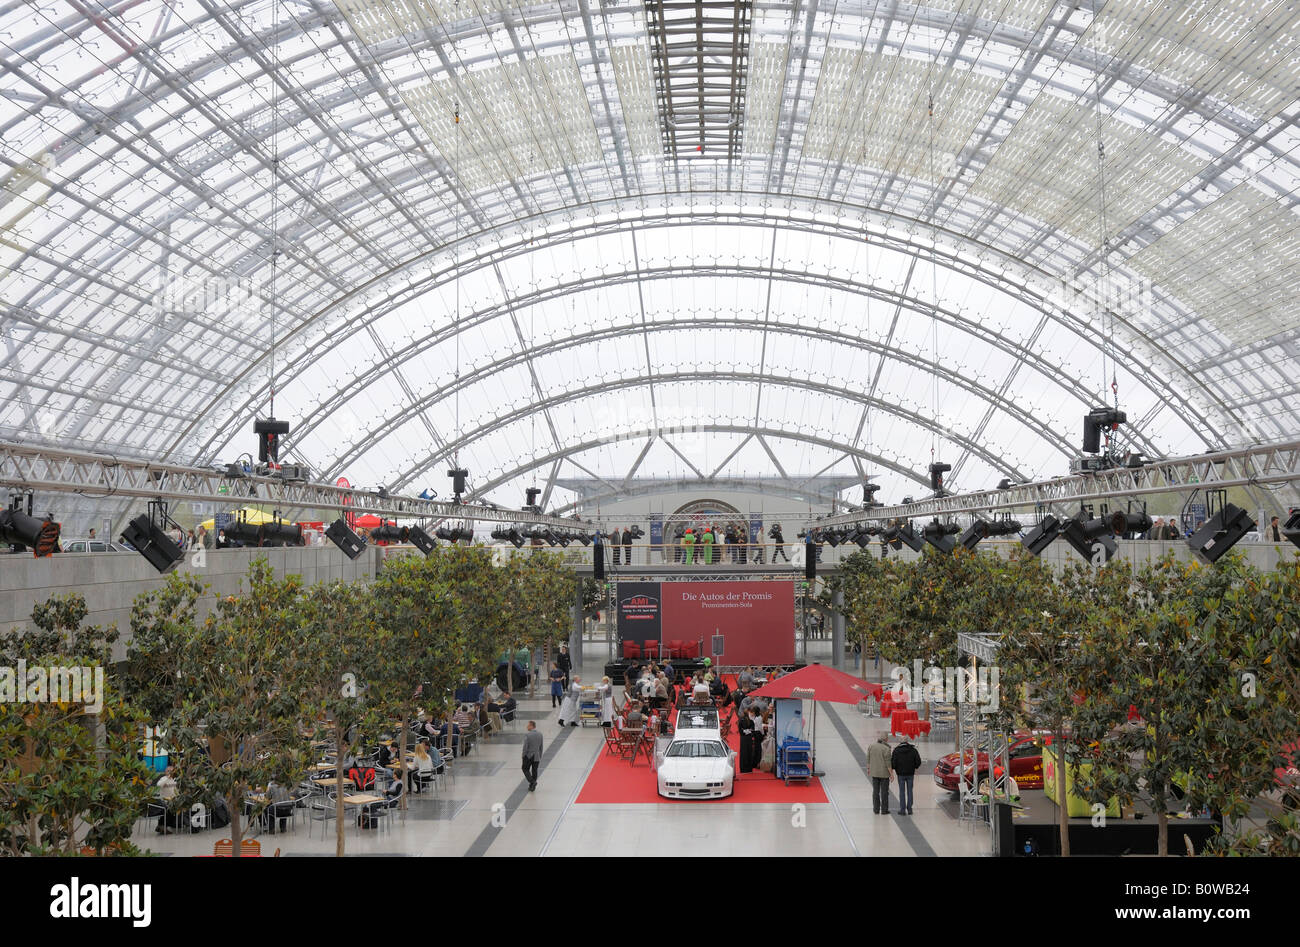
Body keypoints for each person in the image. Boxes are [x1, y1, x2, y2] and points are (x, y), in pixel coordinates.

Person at [891, 735, 922, 816]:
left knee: (902, 792)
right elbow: (918, 762)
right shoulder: (913, 750)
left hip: (900, 774)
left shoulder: (896, 751)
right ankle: (910, 809)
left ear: (900, 741)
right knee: (910, 791)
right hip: (910, 774)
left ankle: (902, 809)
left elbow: (893, 764)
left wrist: (896, 768)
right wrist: (914, 767)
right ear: (907, 741)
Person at [867, 734, 894, 815]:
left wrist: (868, 769)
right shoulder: (886, 749)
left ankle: (876, 809)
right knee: (884, 792)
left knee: (875, 791)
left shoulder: (871, 746)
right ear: (885, 740)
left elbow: (868, 758)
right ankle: (884, 810)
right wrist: (891, 774)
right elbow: (888, 764)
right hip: (884, 774)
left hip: (874, 772)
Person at [155, 766, 178, 834]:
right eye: (168, 771)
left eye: (171, 771)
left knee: (172, 808)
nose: (170, 772)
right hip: (164, 801)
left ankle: (161, 826)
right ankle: (162, 826)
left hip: (175, 800)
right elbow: (158, 785)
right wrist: (167, 777)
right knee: (169, 809)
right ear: (165, 772)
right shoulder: (163, 779)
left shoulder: (176, 779)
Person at [521, 721, 543, 792]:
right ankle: (532, 786)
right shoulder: (540, 734)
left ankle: (532, 782)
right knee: (534, 770)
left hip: (528, 756)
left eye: (528, 725)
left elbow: (525, 747)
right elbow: (541, 746)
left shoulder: (528, 735)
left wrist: (523, 755)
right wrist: (540, 755)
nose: (527, 727)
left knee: (525, 768)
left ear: (531, 726)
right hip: (537, 756)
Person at [738, 707, 757, 774]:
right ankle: (749, 768)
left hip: (744, 738)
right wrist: (749, 731)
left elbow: (740, 730)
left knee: (744, 753)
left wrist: (745, 731)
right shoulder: (749, 721)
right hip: (748, 738)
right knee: (749, 752)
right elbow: (752, 730)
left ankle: (743, 768)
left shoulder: (741, 720)